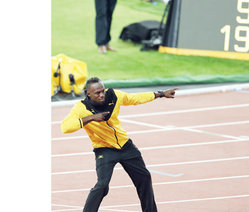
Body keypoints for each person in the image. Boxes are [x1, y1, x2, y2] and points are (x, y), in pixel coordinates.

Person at [61, 77, 178, 212]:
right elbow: (65, 127)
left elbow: (134, 98)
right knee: (102, 185)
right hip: (104, 150)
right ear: (88, 93)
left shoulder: (114, 96)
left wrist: (161, 94)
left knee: (144, 178)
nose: (101, 95)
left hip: (126, 146)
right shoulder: (81, 108)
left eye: (102, 91)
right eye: (97, 93)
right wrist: (91, 118)